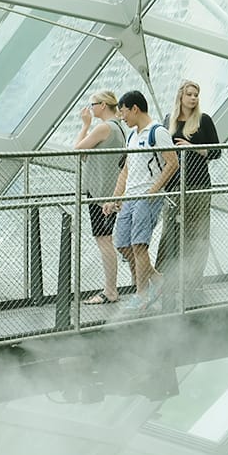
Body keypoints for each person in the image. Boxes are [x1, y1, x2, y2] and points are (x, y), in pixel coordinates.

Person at [104, 90, 178, 312]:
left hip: (147, 197)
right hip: (130, 198)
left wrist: (153, 191)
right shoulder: (132, 135)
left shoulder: (158, 132)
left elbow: (172, 163)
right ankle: (158, 279)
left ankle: (142, 295)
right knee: (123, 244)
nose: (122, 117)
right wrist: (115, 198)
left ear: (134, 109)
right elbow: (126, 170)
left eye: (123, 112)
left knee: (139, 245)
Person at [156, 80, 220, 299]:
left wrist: (192, 148)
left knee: (198, 234)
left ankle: (194, 281)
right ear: (181, 97)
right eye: (190, 94)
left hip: (199, 185)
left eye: (196, 95)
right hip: (174, 185)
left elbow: (216, 152)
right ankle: (166, 279)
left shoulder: (204, 121)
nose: (193, 98)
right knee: (170, 233)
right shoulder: (168, 121)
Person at [73, 89, 127, 305]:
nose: (90, 108)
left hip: (101, 194)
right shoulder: (119, 128)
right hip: (111, 191)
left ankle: (110, 290)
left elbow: (77, 150)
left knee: (104, 240)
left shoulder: (104, 127)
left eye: (93, 104)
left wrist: (85, 125)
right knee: (105, 239)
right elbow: (86, 154)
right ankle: (111, 288)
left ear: (102, 105)